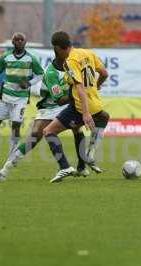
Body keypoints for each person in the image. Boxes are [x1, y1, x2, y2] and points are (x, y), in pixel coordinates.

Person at [0, 55, 89, 181]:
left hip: (67, 105)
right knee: (34, 136)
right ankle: (6, 168)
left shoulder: (72, 68)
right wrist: (75, 96)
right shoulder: (50, 72)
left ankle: (79, 167)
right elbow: (57, 98)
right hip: (49, 107)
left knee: (77, 128)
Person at [43, 31, 110, 183]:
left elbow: (79, 87)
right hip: (95, 102)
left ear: (58, 48)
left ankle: (65, 167)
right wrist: (96, 86)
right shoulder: (88, 53)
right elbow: (105, 73)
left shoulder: (69, 61)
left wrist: (85, 113)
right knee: (103, 117)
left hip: (80, 106)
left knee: (48, 132)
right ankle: (89, 156)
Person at [0, 32, 44, 167]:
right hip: (5, 97)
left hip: (20, 98)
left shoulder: (31, 58)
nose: (19, 42)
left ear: (25, 42)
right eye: (17, 40)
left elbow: (40, 74)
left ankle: (11, 157)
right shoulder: (6, 56)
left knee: (15, 126)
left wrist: (29, 83)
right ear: (13, 42)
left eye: (22, 40)